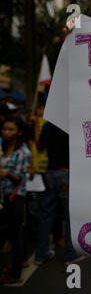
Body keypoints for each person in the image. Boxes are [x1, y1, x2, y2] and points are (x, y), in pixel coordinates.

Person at [34, 121, 85, 266]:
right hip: (66, 173)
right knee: (69, 216)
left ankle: (40, 254)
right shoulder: (71, 125)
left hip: (50, 173)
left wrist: (35, 127)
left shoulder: (47, 125)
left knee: (46, 214)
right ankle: (70, 255)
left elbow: (39, 147)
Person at [0, 117, 31, 284]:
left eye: (11, 129)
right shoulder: (4, 147)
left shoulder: (23, 151)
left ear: (19, 131)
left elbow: (22, 177)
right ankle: (17, 263)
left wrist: (7, 174)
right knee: (12, 232)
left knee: (16, 233)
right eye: (4, 128)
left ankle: (16, 273)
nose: (6, 132)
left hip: (16, 196)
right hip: (5, 195)